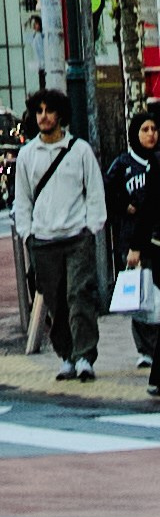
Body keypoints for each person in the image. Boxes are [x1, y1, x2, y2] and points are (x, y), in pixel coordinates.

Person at [14, 86, 108, 379]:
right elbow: (22, 198)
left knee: (79, 295)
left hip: (77, 236)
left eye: (49, 111)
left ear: (60, 115)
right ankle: (66, 355)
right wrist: (27, 233)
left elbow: (94, 191)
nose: (43, 117)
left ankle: (85, 357)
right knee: (54, 301)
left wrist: (93, 226)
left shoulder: (79, 150)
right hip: (43, 240)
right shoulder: (27, 154)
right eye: (39, 111)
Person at [110, 102, 160, 398]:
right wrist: (123, 206)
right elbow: (109, 191)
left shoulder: (156, 162)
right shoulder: (124, 164)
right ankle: (146, 351)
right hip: (140, 240)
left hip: (147, 239)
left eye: (155, 129)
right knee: (143, 297)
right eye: (145, 129)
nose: (151, 134)